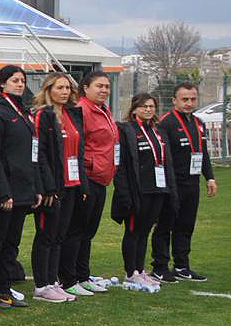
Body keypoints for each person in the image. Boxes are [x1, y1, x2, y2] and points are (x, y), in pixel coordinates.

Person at [0, 65, 39, 309]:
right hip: (3, 192)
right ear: (2, 83)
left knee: (11, 244)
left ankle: (4, 290)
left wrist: (35, 187)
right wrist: (3, 191)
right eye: (14, 80)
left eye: (22, 80)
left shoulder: (25, 112)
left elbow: (31, 154)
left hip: (23, 190)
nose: (20, 84)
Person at [152, 82, 218, 282]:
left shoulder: (198, 122)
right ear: (174, 101)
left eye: (193, 99)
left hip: (192, 184)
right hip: (173, 185)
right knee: (165, 225)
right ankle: (160, 266)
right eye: (185, 99)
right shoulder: (166, 123)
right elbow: (162, 156)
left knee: (186, 225)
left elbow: (203, 153)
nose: (189, 103)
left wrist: (210, 178)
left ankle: (182, 265)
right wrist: (165, 185)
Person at [29, 72, 85, 303]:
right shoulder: (43, 115)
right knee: (46, 235)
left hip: (71, 184)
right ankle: (41, 285)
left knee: (59, 236)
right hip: (53, 186)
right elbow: (39, 154)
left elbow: (77, 151)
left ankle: (53, 280)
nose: (64, 92)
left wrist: (81, 183)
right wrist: (47, 186)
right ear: (48, 90)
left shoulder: (72, 115)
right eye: (59, 88)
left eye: (68, 88)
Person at [111, 92, 172, 293]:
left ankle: (139, 269)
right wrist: (124, 193)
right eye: (144, 106)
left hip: (157, 189)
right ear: (135, 108)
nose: (148, 110)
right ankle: (130, 273)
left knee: (145, 231)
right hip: (139, 190)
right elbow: (122, 163)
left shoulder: (157, 131)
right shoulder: (126, 130)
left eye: (151, 106)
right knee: (133, 231)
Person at [71, 72, 119, 294]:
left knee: (89, 231)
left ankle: (83, 275)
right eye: (99, 86)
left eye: (107, 86)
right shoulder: (82, 110)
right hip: (88, 177)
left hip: (102, 178)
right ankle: (69, 278)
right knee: (78, 230)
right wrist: (83, 178)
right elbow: (80, 146)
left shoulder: (104, 111)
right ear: (85, 88)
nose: (104, 90)